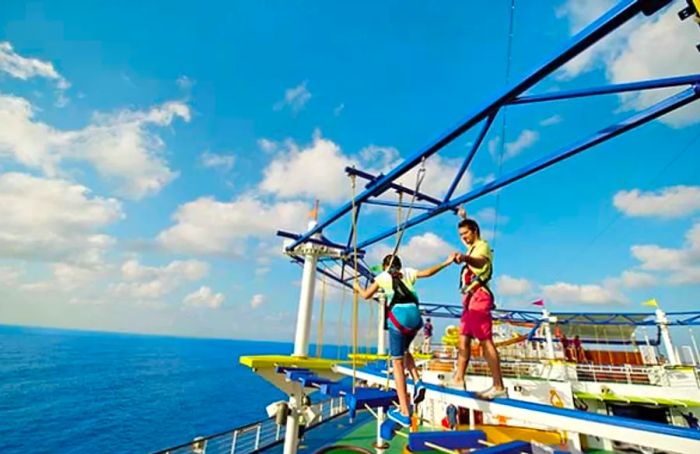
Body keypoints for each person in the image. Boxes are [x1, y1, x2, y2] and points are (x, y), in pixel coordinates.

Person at [354, 253, 457, 426]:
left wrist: (357, 286)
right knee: (405, 351)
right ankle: (418, 381)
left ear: (385, 266)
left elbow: (366, 295)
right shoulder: (408, 272)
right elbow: (429, 272)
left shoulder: (382, 277)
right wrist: (446, 261)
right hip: (416, 318)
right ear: (399, 266)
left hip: (399, 318)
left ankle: (403, 410)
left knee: (397, 363)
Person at [451, 210, 506, 400]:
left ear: (475, 231)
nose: (463, 238)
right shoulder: (472, 246)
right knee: (463, 339)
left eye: (466, 234)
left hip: (479, 298)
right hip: (468, 300)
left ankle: (498, 385)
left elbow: (481, 261)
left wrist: (465, 259)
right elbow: (469, 233)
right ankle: (458, 378)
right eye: (460, 235)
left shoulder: (481, 246)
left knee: (484, 340)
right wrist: (463, 217)